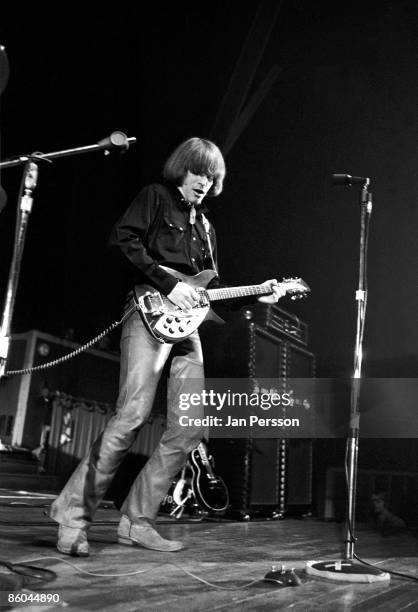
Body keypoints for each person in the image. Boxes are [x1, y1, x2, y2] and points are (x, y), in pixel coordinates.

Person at [49, 137, 285, 556]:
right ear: (183, 168)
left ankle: (137, 520)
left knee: (190, 426)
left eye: (212, 177)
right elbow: (123, 239)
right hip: (148, 311)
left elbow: (207, 294)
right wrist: (170, 284)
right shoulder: (156, 197)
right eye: (199, 172)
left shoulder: (208, 229)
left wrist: (256, 295)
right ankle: (72, 517)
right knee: (132, 415)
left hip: (187, 329)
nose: (204, 182)